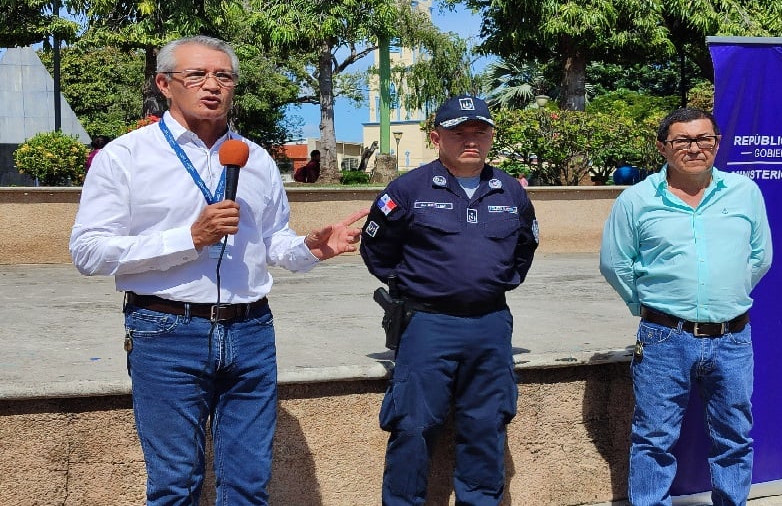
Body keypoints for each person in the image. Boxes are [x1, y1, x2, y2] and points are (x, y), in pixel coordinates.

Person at [69, 35, 366, 505]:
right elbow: (88, 252)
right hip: (165, 331)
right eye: (197, 75)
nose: (212, 86)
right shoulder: (126, 157)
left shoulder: (257, 158)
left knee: (248, 486)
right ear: (165, 84)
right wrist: (188, 238)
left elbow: (271, 244)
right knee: (175, 486)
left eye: (223, 76)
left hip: (250, 331)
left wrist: (311, 248)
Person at [360, 94, 539, 505]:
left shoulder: (510, 191)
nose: (470, 140)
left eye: (480, 131)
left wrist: (488, 284)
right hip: (428, 324)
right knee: (413, 425)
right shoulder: (407, 189)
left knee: (486, 425)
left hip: (491, 324)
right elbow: (377, 249)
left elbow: (524, 249)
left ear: (492, 136)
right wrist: (417, 285)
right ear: (437, 137)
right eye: (459, 132)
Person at [599, 107, 773, 506]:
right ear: (663, 147)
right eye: (682, 140)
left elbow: (760, 257)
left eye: (704, 139)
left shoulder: (745, 192)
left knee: (734, 435)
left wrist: (723, 296)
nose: (695, 148)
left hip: (732, 337)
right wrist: (645, 306)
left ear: (716, 144)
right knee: (654, 439)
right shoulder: (636, 199)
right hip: (664, 338)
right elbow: (615, 262)